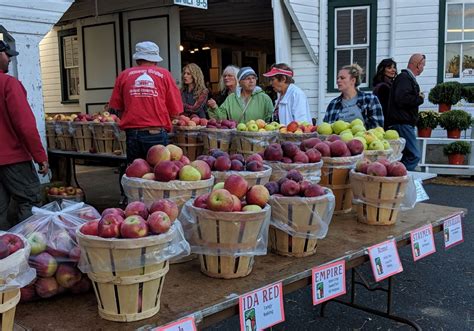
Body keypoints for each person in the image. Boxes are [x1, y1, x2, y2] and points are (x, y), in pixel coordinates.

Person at [0, 40, 49, 229]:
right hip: (13, 159)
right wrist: (40, 157)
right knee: (29, 201)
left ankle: (6, 254)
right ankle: (28, 248)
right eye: (7, 54)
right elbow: (25, 125)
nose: (10, 58)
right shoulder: (8, 84)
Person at [108, 41, 183, 164]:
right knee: (158, 175)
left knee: (135, 175)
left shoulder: (124, 75)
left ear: (137, 59)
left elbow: (117, 108)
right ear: (156, 60)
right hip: (156, 133)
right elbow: (175, 111)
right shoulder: (164, 75)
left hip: (132, 134)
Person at [386, 53, 426, 170]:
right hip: (402, 123)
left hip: (402, 123)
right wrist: (419, 98)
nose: (423, 68)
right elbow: (401, 99)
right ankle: (400, 178)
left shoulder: (404, 78)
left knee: (405, 155)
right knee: (414, 155)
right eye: (423, 65)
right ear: (417, 65)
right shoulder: (405, 78)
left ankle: (398, 179)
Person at [324, 64, 383, 129]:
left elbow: (378, 128)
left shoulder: (370, 99)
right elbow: (327, 130)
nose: (338, 81)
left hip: (363, 138)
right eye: (338, 78)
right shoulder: (333, 104)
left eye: (342, 78)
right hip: (339, 139)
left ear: (353, 80)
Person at [207, 67, 273, 123]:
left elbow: (270, 119)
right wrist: (214, 107)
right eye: (247, 78)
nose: (251, 81)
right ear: (240, 82)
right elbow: (221, 119)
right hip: (236, 137)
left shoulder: (265, 98)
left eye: (253, 78)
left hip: (259, 136)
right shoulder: (231, 98)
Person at [373, 58, 397, 128]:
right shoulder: (383, 87)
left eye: (394, 67)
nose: (393, 70)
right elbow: (385, 109)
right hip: (386, 125)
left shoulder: (389, 85)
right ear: (382, 70)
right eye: (389, 68)